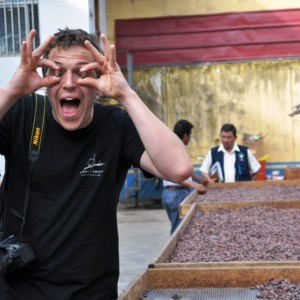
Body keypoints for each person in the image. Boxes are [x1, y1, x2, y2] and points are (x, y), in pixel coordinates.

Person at [0, 28, 193, 300]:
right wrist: (11, 91)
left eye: (81, 72)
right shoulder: (22, 114)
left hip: (92, 291)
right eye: (58, 71)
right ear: (44, 78)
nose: (69, 83)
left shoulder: (117, 125)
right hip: (19, 290)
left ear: (98, 79)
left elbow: (179, 168)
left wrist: (126, 95)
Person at [162, 120, 207, 235]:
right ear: (185, 135)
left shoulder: (172, 146)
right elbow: (175, 176)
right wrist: (195, 185)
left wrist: (200, 180)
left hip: (170, 193)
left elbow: (184, 171)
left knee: (178, 226)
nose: (190, 138)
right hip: (176, 194)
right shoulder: (176, 149)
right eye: (190, 135)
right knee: (179, 232)